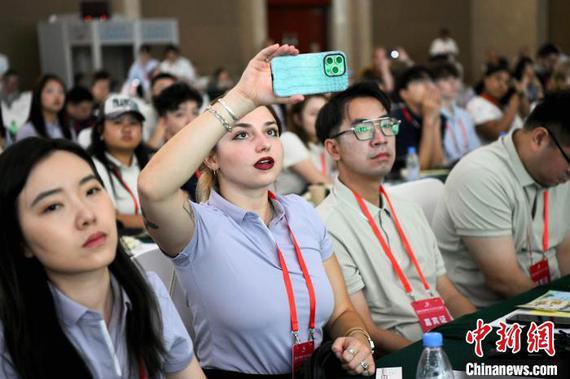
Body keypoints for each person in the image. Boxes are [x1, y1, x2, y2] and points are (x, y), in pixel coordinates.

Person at [138, 44, 376, 377]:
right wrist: (242, 96)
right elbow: (152, 187)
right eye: (240, 135)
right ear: (211, 158)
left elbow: (341, 312)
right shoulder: (199, 228)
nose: (262, 144)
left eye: (271, 132)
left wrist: (357, 339)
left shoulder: (302, 212)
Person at [0, 137, 205, 378]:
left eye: (91, 190)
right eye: (53, 206)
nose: (87, 215)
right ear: (20, 240)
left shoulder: (148, 294)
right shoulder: (10, 339)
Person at [314, 82, 475, 353]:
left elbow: (447, 292)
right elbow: (365, 328)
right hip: (404, 354)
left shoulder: (408, 208)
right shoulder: (326, 225)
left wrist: (483, 333)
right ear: (333, 149)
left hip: (448, 339)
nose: (380, 138)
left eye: (386, 125)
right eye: (363, 129)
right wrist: (436, 356)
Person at [433, 91, 570, 309]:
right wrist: (560, 310)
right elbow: (504, 281)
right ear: (539, 139)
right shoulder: (481, 175)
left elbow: (565, 251)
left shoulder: (558, 172)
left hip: (545, 300)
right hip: (489, 314)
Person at [89, 94, 150, 231]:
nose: (127, 129)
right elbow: (111, 217)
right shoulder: (92, 167)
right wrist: (161, 223)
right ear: (100, 130)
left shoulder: (150, 163)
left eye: (133, 123)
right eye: (117, 122)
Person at [390, 66, 445, 174]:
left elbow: (437, 164)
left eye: (430, 80)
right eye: (419, 81)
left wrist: (435, 120)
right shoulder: (395, 121)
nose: (428, 86)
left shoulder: (439, 116)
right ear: (404, 94)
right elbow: (416, 169)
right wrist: (429, 121)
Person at [153, 82, 203, 201]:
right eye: (180, 114)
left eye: (195, 112)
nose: (191, 121)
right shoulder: (159, 163)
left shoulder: (208, 152)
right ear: (163, 121)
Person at [276, 95, 332, 195]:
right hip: (283, 209)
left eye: (325, 114)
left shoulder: (322, 146)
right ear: (298, 119)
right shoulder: (288, 139)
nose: (321, 119)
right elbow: (321, 182)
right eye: (314, 114)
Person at [431, 62, 480, 163]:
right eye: (445, 80)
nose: (453, 83)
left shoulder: (465, 115)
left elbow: (476, 148)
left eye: (455, 79)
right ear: (433, 85)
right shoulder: (432, 115)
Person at [466, 62, 523, 144]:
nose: (502, 85)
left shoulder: (503, 105)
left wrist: (520, 92)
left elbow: (526, 113)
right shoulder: (476, 104)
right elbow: (497, 134)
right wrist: (514, 104)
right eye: (498, 79)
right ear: (486, 79)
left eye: (507, 82)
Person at [16, 74, 73, 142]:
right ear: (38, 96)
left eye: (61, 91)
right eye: (50, 91)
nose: (57, 96)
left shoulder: (68, 128)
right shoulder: (28, 131)